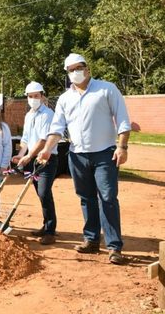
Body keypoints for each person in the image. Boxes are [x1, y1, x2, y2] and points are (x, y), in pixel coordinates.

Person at [38, 53, 131, 265]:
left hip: (105, 154)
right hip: (77, 155)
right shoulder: (64, 99)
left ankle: (114, 246)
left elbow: (123, 120)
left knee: (107, 198)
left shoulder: (107, 89)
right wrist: (46, 149)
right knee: (86, 198)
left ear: (87, 69)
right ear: (67, 73)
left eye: (78, 68)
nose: (75, 72)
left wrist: (122, 147)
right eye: (70, 70)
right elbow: (56, 129)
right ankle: (91, 240)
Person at [12, 82, 58, 245]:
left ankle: (51, 231)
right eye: (30, 97)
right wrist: (20, 155)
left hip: (47, 159)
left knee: (45, 193)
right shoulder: (29, 115)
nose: (33, 99)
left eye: (36, 96)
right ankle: (46, 226)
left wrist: (29, 156)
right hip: (32, 160)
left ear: (42, 96)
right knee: (41, 194)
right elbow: (25, 139)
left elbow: (43, 139)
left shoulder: (48, 114)